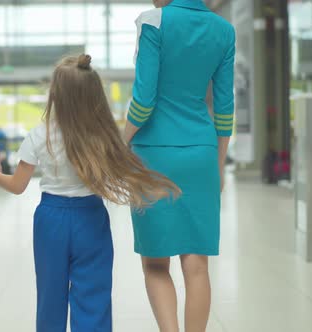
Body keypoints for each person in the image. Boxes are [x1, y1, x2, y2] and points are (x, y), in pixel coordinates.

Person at [0, 54, 180, 332]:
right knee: (93, 298)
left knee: (50, 298)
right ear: (92, 95)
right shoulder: (100, 137)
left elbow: (17, 186)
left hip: (50, 221)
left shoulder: (40, 135)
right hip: (91, 219)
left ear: (55, 94)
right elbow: (117, 173)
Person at [122, 0, 236, 331]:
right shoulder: (223, 30)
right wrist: (217, 163)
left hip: (153, 155)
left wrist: (120, 142)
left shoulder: (154, 22)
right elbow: (225, 109)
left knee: (156, 263)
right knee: (197, 264)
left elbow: (143, 102)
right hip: (201, 151)